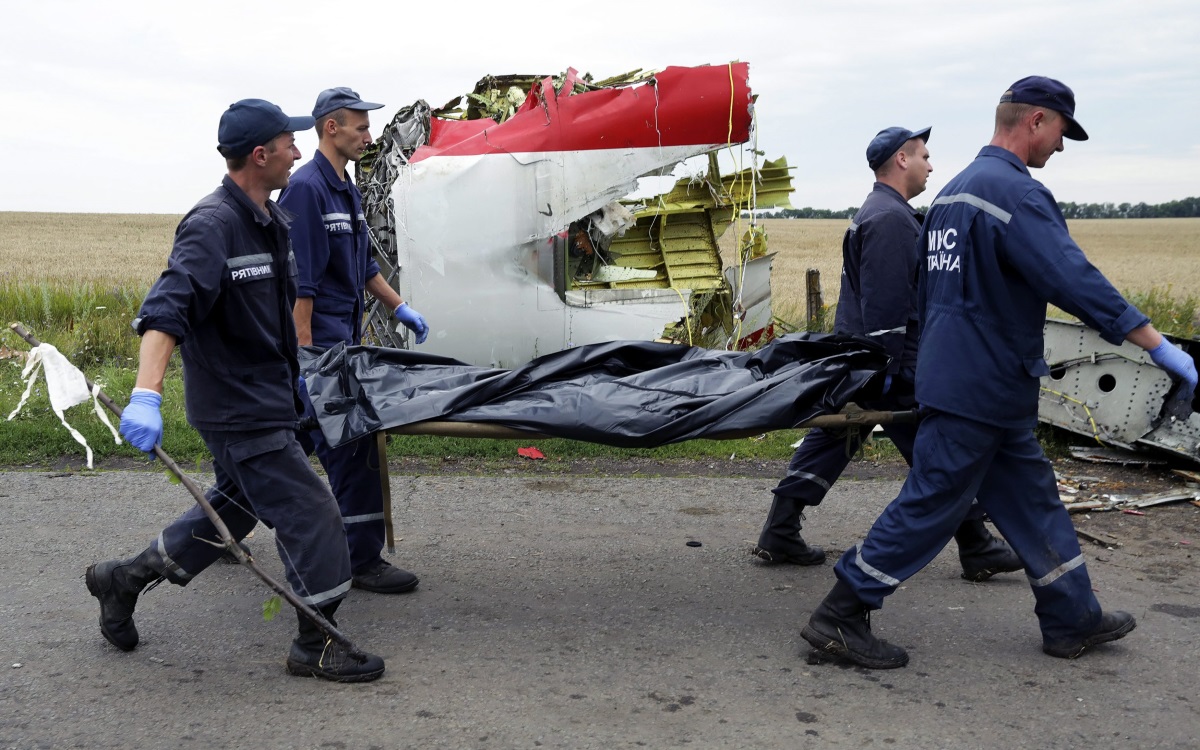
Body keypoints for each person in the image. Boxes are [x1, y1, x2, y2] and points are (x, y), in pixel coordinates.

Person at [801, 76, 1199, 669]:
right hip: (981, 385)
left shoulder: (954, 194)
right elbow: (1073, 278)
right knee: (934, 498)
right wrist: (1156, 343)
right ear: (1036, 120)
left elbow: (930, 294)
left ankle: (1071, 616)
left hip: (982, 382)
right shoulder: (1013, 193)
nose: (1061, 147)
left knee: (1033, 498)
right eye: (1062, 131)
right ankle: (841, 613)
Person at [86, 99, 385, 683]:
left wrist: (297, 371)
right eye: (288, 144)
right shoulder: (212, 225)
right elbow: (164, 313)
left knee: (237, 507)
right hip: (235, 408)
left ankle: (123, 579)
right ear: (261, 154)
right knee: (313, 512)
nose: (298, 153)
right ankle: (316, 644)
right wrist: (146, 394)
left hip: (271, 395)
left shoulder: (269, 220)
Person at [752, 126, 1022, 583]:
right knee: (939, 451)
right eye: (924, 155)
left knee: (836, 439)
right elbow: (886, 306)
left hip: (867, 360)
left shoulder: (882, 212)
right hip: (889, 362)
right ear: (901, 159)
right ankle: (976, 544)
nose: (931, 165)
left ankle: (780, 530)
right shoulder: (890, 219)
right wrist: (892, 373)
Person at [277, 87, 428, 595]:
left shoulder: (346, 187)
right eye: (360, 127)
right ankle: (361, 560)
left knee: (277, 453)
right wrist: (305, 358)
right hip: (317, 348)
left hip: (339, 342)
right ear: (331, 129)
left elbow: (362, 266)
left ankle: (212, 530)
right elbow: (302, 284)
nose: (369, 136)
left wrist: (398, 306)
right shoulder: (305, 190)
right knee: (353, 446)